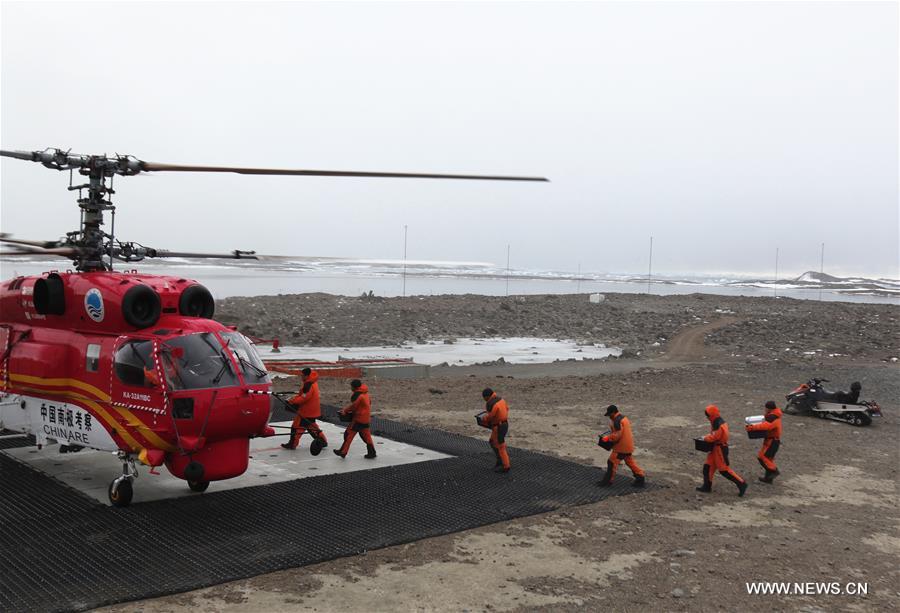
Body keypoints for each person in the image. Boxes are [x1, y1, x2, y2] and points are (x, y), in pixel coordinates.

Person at [697, 405, 747, 497]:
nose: (707, 417)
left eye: (708, 415)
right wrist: (707, 437)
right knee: (707, 467)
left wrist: (704, 438)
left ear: (712, 415)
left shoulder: (718, 424)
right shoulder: (716, 421)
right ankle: (707, 486)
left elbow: (715, 437)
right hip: (715, 448)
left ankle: (741, 483)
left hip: (719, 449)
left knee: (724, 470)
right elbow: (714, 435)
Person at [597, 404, 645, 488]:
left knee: (611, 462)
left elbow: (617, 435)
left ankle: (607, 482)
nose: (609, 416)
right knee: (630, 462)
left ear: (613, 412)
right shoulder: (623, 418)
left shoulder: (617, 421)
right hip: (628, 446)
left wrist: (607, 438)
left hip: (621, 448)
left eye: (609, 414)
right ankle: (640, 478)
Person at [281, 368, 328, 451]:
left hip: (306, 411)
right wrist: (295, 398)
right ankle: (322, 441)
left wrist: (292, 401)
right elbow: (302, 395)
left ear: (306, 376)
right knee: (311, 426)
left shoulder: (308, 385)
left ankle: (292, 444)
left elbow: (303, 398)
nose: (301, 377)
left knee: (296, 427)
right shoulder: (312, 381)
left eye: (302, 375)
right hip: (312, 410)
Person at [334, 379, 376, 459]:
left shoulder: (358, 395)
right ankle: (372, 452)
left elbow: (353, 406)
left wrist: (344, 411)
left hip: (358, 419)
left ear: (354, 387)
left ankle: (343, 452)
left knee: (348, 434)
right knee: (367, 436)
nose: (351, 388)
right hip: (366, 418)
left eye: (351, 386)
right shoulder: (366, 393)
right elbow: (369, 403)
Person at [746, 400, 782, 483]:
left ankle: (774, 471)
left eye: (765, 408)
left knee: (762, 457)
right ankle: (768, 479)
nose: (765, 409)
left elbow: (766, 426)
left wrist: (752, 427)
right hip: (774, 440)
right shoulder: (774, 415)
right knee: (769, 459)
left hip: (772, 441)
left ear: (768, 408)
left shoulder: (772, 417)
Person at [481, 388, 510, 473]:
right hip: (504, 424)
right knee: (492, 442)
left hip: (499, 427)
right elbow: (507, 408)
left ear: (487, 397)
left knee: (500, 446)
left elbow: (490, 417)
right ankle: (500, 461)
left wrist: (483, 418)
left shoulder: (492, 404)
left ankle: (506, 466)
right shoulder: (500, 399)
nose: (484, 400)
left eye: (484, 398)